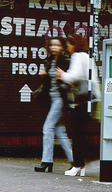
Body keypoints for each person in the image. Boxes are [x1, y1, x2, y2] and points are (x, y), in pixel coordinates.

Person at [55, 33, 100, 177]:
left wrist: (62, 75)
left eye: (68, 45)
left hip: (80, 101)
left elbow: (73, 77)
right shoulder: (87, 56)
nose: (67, 48)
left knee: (77, 134)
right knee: (82, 133)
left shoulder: (76, 56)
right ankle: (81, 165)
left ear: (74, 44)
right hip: (91, 100)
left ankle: (77, 165)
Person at [34, 37, 73, 173]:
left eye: (57, 45)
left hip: (60, 99)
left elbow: (70, 80)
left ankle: (46, 161)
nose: (54, 48)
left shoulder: (65, 61)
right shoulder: (50, 61)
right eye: (52, 45)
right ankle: (74, 161)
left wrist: (62, 77)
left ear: (62, 47)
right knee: (60, 131)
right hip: (53, 99)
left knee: (47, 127)